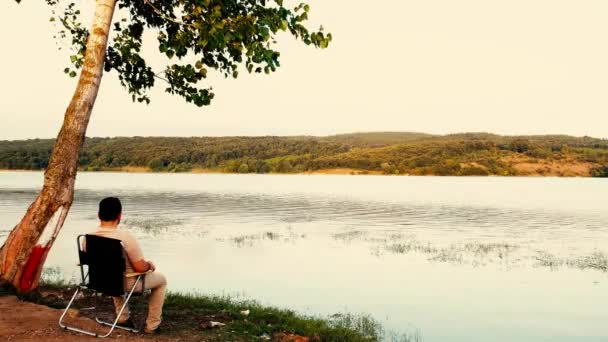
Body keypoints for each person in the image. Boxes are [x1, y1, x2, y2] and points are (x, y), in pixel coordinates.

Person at [92, 197, 167, 334]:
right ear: (120, 215)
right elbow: (140, 268)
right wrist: (149, 265)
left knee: (111, 271)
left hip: (100, 281)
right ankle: (152, 326)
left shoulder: (89, 237)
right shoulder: (125, 237)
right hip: (126, 283)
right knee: (161, 280)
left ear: (99, 214)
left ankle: (122, 317)